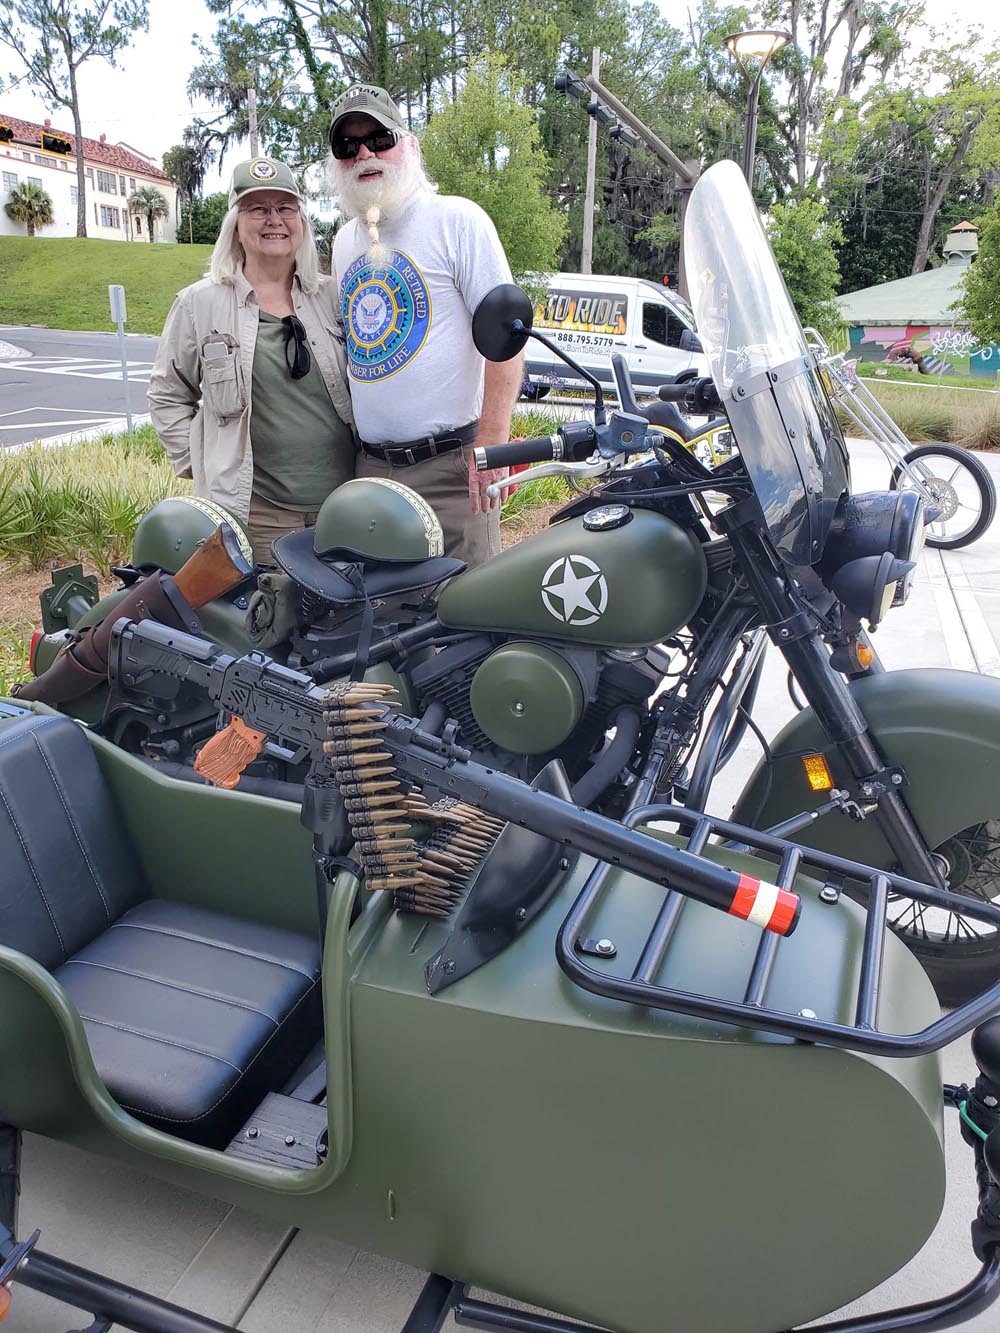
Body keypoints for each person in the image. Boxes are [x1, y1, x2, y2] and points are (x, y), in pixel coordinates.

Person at [326, 83, 523, 567]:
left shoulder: (457, 220)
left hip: (452, 471)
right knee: (378, 611)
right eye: (348, 146)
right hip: (371, 471)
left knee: (467, 605)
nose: (365, 154)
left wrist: (492, 443)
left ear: (408, 144)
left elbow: (508, 334)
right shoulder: (344, 242)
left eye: (380, 138)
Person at [148, 157, 356, 563]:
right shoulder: (199, 303)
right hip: (258, 515)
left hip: (345, 504)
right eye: (257, 208)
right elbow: (167, 394)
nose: (274, 219)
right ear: (236, 225)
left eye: (286, 208)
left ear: (301, 221)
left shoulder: (334, 296)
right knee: (268, 604)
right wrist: (201, 462)